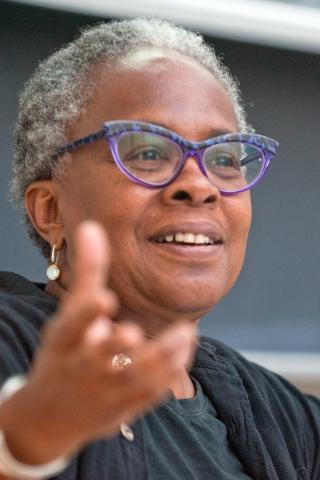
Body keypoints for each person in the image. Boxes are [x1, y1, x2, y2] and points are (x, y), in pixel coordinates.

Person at [0, 17, 318, 480]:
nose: (199, 185)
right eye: (147, 152)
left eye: (225, 158)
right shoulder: (11, 346)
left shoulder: (273, 411)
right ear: (50, 210)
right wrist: (26, 442)